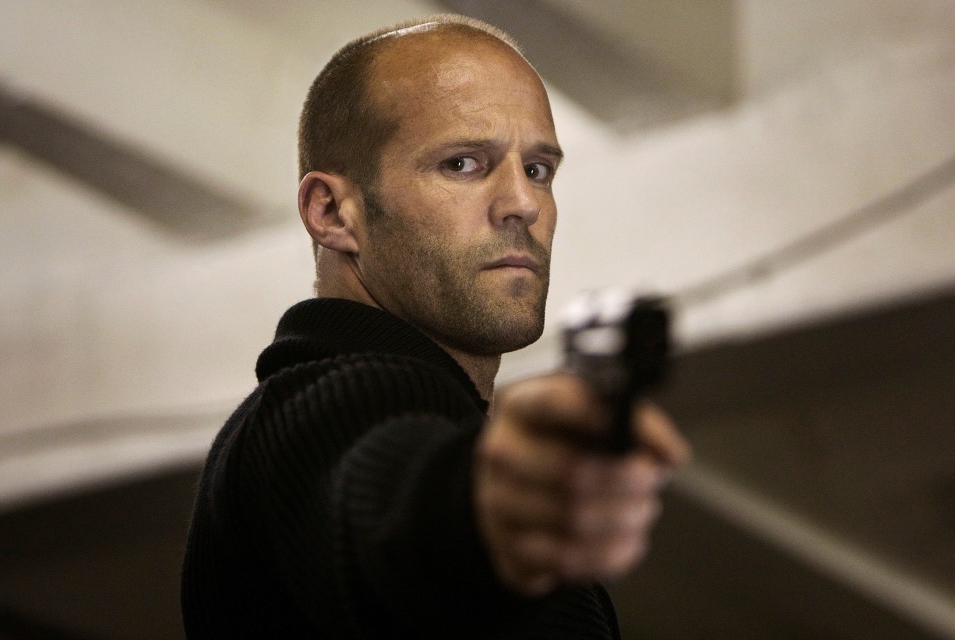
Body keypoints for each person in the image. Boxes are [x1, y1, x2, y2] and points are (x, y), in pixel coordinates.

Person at [181, 14, 690, 639]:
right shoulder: (314, 409)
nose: (522, 203)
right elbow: (384, 503)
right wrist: (476, 512)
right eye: (463, 163)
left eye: (538, 170)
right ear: (332, 211)